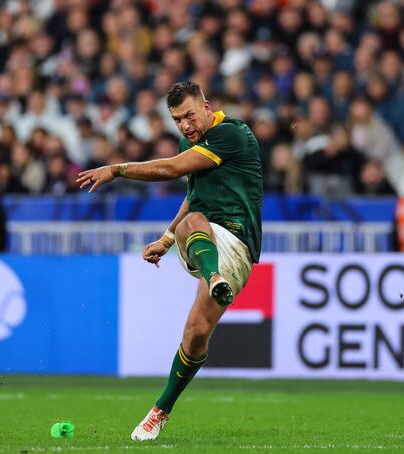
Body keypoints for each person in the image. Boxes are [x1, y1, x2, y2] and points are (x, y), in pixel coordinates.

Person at [76, 81, 263, 441]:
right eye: (177, 120)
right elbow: (195, 198)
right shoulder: (190, 145)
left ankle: (214, 278)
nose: (185, 126)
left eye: (190, 116)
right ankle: (159, 412)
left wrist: (115, 169)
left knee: (196, 336)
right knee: (195, 223)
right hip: (204, 238)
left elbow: (171, 170)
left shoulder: (232, 133)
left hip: (237, 243)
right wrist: (165, 239)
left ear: (206, 106)